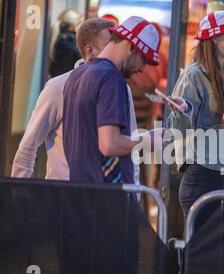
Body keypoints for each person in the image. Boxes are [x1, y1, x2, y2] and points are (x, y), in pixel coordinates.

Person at [11, 18, 115, 180]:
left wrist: (133, 194)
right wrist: (19, 198)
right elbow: (28, 147)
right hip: (63, 196)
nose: (115, 52)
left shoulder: (120, 88)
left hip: (103, 196)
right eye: (109, 46)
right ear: (90, 51)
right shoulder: (58, 87)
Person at [63, 16, 161, 185]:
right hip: (106, 195)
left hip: (80, 192)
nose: (142, 68)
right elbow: (109, 144)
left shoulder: (77, 74)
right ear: (131, 46)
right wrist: (150, 141)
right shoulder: (111, 78)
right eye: (144, 59)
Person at [168, 11, 224, 217]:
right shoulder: (194, 74)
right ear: (213, 38)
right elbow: (177, 130)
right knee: (200, 247)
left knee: (220, 246)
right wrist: (181, 113)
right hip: (202, 173)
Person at [49, 9, 84, 77]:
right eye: (81, 23)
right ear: (75, 24)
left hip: (55, 81)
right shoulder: (70, 41)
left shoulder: (55, 36)